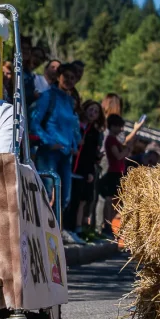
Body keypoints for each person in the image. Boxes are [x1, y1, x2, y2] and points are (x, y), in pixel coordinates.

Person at [29, 63, 81, 211]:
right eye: (66, 76)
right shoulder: (48, 96)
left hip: (65, 155)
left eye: (73, 78)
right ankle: (42, 232)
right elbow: (34, 122)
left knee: (64, 198)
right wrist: (49, 142)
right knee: (46, 194)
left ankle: (56, 231)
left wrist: (74, 146)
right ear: (59, 77)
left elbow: (72, 128)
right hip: (49, 153)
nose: (69, 80)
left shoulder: (70, 102)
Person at [99, 113, 146, 234]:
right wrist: (129, 149)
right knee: (110, 200)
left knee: (114, 200)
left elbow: (124, 144)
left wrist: (131, 141)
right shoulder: (110, 139)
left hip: (117, 171)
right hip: (112, 171)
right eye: (119, 126)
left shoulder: (114, 139)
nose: (121, 129)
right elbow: (119, 155)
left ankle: (108, 224)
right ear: (112, 126)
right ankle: (106, 224)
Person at [66, 99, 104, 232]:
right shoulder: (75, 124)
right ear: (85, 109)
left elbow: (91, 155)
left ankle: (73, 229)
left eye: (96, 112)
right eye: (91, 109)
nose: (92, 113)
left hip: (82, 171)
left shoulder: (94, 132)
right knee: (65, 198)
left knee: (78, 201)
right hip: (68, 165)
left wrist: (90, 172)